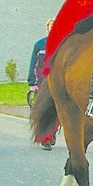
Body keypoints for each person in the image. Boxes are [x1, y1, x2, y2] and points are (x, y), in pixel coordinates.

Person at [27, 18, 58, 150]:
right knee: (44, 110)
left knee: (58, 111)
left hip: (58, 83)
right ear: (47, 29)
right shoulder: (39, 45)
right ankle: (45, 137)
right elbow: (33, 64)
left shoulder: (63, 43)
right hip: (43, 83)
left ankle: (52, 132)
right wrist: (32, 82)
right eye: (51, 26)